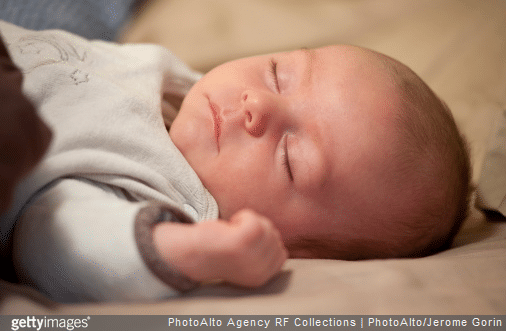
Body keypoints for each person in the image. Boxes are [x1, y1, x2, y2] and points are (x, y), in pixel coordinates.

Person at [0, 20, 470, 302]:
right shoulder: (173, 84)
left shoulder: (155, 197)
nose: (258, 105)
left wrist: (194, 252)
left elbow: (54, 246)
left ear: (294, 248)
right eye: (278, 74)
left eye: (290, 158)